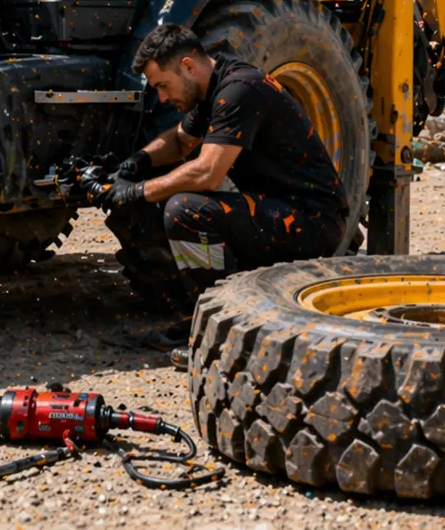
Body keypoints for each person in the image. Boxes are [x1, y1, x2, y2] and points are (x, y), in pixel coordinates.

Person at [87, 24, 359, 330]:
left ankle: (219, 323)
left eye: (163, 86)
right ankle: (201, 307)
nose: (162, 98)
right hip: (278, 209)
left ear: (187, 66)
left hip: (314, 222)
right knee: (164, 192)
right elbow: (179, 141)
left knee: (184, 209)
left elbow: (207, 172)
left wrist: (135, 191)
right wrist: (135, 164)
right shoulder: (211, 90)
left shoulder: (240, 90)